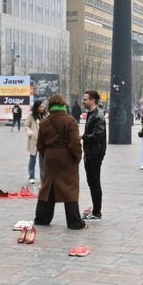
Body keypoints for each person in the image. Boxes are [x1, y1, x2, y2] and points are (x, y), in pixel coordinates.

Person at [35, 93, 86, 230]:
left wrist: (47, 155)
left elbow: (40, 144)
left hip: (50, 156)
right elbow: (75, 143)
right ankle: (74, 221)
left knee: (48, 186)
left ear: (50, 106)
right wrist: (77, 157)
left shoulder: (44, 121)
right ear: (63, 105)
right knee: (70, 186)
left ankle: (42, 218)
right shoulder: (70, 121)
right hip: (66, 156)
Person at [81, 90, 106, 222]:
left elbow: (96, 136)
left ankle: (97, 212)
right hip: (90, 153)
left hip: (95, 154)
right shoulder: (91, 114)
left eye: (85, 99)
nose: (83, 101)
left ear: (92, 101)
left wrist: (82, 137)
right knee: (92, 182)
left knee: (94, 182)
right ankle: (96, 210)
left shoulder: (98, 116)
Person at [25, 100, 47, 184]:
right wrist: (30, 133)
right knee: (32, 159)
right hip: (34, 140)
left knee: (43, 160)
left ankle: (43, 176)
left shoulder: (46, 115)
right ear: (36, 108)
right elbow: (26, 125)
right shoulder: (31, 116)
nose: (42, 108)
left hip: (43, 141)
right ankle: (31, 176)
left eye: (43, 106)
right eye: (40, 106)